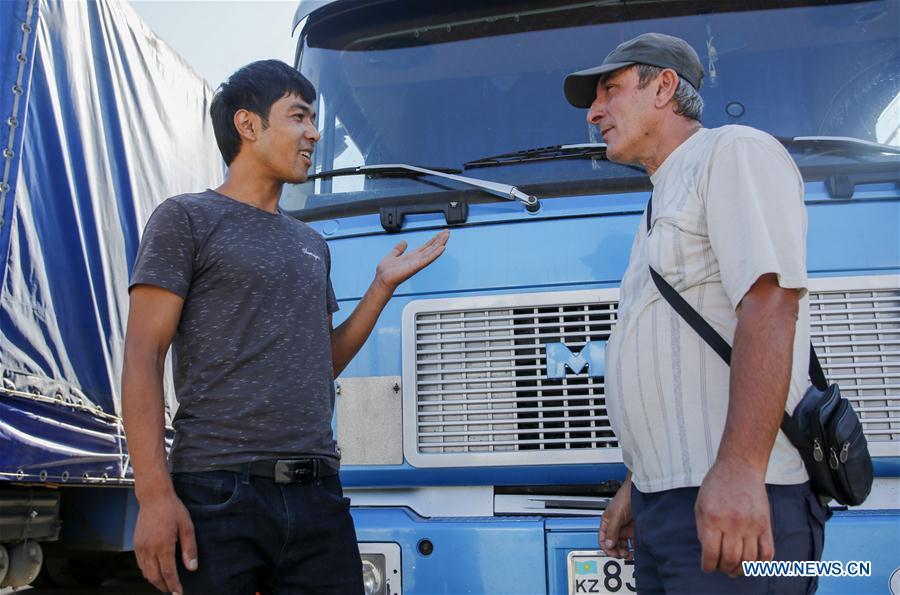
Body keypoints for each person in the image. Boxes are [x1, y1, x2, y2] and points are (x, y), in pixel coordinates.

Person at [122, 60, 449, 595]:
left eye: (314, 120)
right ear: (249, 126)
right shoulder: (185, 218)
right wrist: (155, 496)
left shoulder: (310, 242)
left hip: (318, 496)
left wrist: (380, 289)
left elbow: (322, 360)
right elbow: (142, 355)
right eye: (299, 117)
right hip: (217, 494)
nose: (315, 134)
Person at [563, 33, 826, 593]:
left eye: (610, 90)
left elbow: (770, 304)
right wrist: (640, 482)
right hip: (673, 504)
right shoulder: (661, 197)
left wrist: (741, 469)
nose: (594, 112)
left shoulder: (733, 151)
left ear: (663, 87)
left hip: (739, 504)